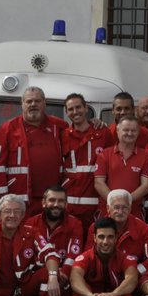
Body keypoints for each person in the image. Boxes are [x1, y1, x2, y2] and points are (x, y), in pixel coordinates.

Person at [0, 86, 64, 216]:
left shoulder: (59, 126)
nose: (33, 104)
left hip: (52, 201)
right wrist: (3, 201)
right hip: (20, 201)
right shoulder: (7, 129)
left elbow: (78, 132)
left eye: (37, 101)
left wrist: (94, 123)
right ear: (22, 104)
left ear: (44, 103)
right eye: (29, 101)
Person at [61, 93, 110, 226]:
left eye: (78, 107)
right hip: (70, 206)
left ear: (86, 108)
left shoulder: (103, 133)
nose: (75, 112)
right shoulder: (63, 136)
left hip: (95, 205)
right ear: (66, 112)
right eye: (71, 109)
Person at [21, 186, 86, 286]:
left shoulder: (75, 224)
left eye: (60, 201)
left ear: (66, 204)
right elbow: (27, 255)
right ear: (43, 203)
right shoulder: (31, 223)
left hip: (63, 280)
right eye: (52, 200)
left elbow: (73, 255)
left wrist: (62, 273)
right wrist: (53, 273)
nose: (56, 204)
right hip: (35, 277)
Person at [94, 113, 148, 214]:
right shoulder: (104, 154)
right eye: (126, 130)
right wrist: (114, 203)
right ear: (117, 131)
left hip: (133, 213)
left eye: (133, 130)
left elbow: (145, 186)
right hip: (107, 212)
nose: (129, 133)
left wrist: (125, 202)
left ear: (138, 132)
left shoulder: (145, 156)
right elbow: (98, 183)